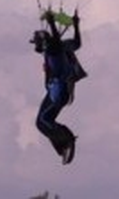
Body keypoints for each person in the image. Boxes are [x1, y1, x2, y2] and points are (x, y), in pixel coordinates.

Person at [32, 10, 86, 164]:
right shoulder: (62, 47)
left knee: (42, 121)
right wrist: (75, 25)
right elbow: (77, 43)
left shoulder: (53, 48)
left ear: (43, 42)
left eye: (36, 42)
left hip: (59, 92)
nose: (35, 46)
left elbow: (54, 39)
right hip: (56, 92)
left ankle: (67, 140)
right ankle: (62, 145)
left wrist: (51, 23)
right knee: (43, 121)